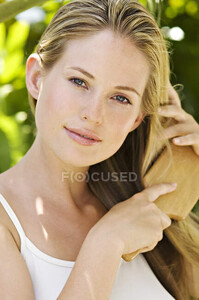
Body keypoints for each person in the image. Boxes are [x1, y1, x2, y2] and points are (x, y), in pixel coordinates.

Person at [0, 0, 199, 299]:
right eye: (79, 81)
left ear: (136, 119)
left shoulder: (145, 211)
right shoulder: (6, 222)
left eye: (120, 98)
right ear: (36, 78)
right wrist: (105, 244)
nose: (93, 114)